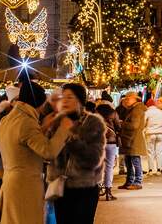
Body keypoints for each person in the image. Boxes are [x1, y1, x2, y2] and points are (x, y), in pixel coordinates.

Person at [0, 80, 73, 224]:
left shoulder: (7, 119)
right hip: (25, 186)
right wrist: (64, 129)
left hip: (10, 182)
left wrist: (42, 128)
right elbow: (48, 151)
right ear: (37, 103)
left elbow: (22, 143)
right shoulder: (27, 122)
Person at [48, 83, 106, 223]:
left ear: (80, 100)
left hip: (85, 187)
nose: (65, 101)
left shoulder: (93, 122)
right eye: (64, 97)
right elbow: (49, 152)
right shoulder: (57, 122)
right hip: (60, 187)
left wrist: (70, 137)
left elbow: (94, 159)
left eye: (70, 97)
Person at [116, 92, 146, 189]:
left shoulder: (137, 110)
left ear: (135, 99)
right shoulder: (132, 109)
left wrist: (122, 123)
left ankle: (138, 182)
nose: (126, 100)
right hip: (129, 139)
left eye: (129, 99)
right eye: (126, 99)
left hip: (133, 139)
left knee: (135, 161)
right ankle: (129, 182)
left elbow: (134, 125)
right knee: (128, 161)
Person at [95, 102, 120, 202]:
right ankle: (108, 193)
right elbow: (118, 126)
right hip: (111, 142)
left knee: (98, 166)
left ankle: (96, 190)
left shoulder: (95, 114)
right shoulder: (113, 113)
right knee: (109, 167)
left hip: (98, 143)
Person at [143, 96, 162, 176]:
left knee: (150, 152)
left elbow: (143, 123)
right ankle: (159, 169)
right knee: (159, 152)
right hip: (160, 133)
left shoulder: (147, 112)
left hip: (150, 133)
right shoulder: (161, 112)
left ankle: (150, 170)